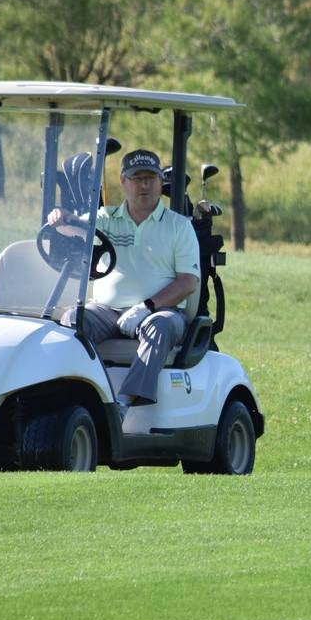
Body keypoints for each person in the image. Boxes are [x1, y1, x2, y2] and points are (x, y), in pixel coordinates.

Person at [49, 148, 200, 424]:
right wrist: (61, 217)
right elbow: (72, 229)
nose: (144, 185)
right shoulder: (105, 218)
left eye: (150, 178)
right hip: (107, 310)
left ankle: (122, 402)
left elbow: (188, 282)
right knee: (73, 319)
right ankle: (78, 396)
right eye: (136, 178)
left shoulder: (178, 226)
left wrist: (147, 307)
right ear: (123, 181)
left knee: (160, 326)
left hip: (162, 312)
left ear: (159, 182)